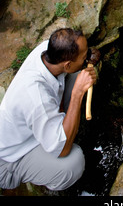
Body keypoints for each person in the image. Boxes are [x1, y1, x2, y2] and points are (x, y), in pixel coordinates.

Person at [0, 28, 98, 192]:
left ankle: (61, 127)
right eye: (84, 56)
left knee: (78, 76)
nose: (87, 57)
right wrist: (77, 95)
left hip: (27, 128)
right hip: (10, 158)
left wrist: (88, 58)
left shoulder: (48, 51)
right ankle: (45, 179)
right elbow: (62, 149)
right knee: (73, 163)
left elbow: (74, 69)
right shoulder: (36, 97)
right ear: (67, 64)